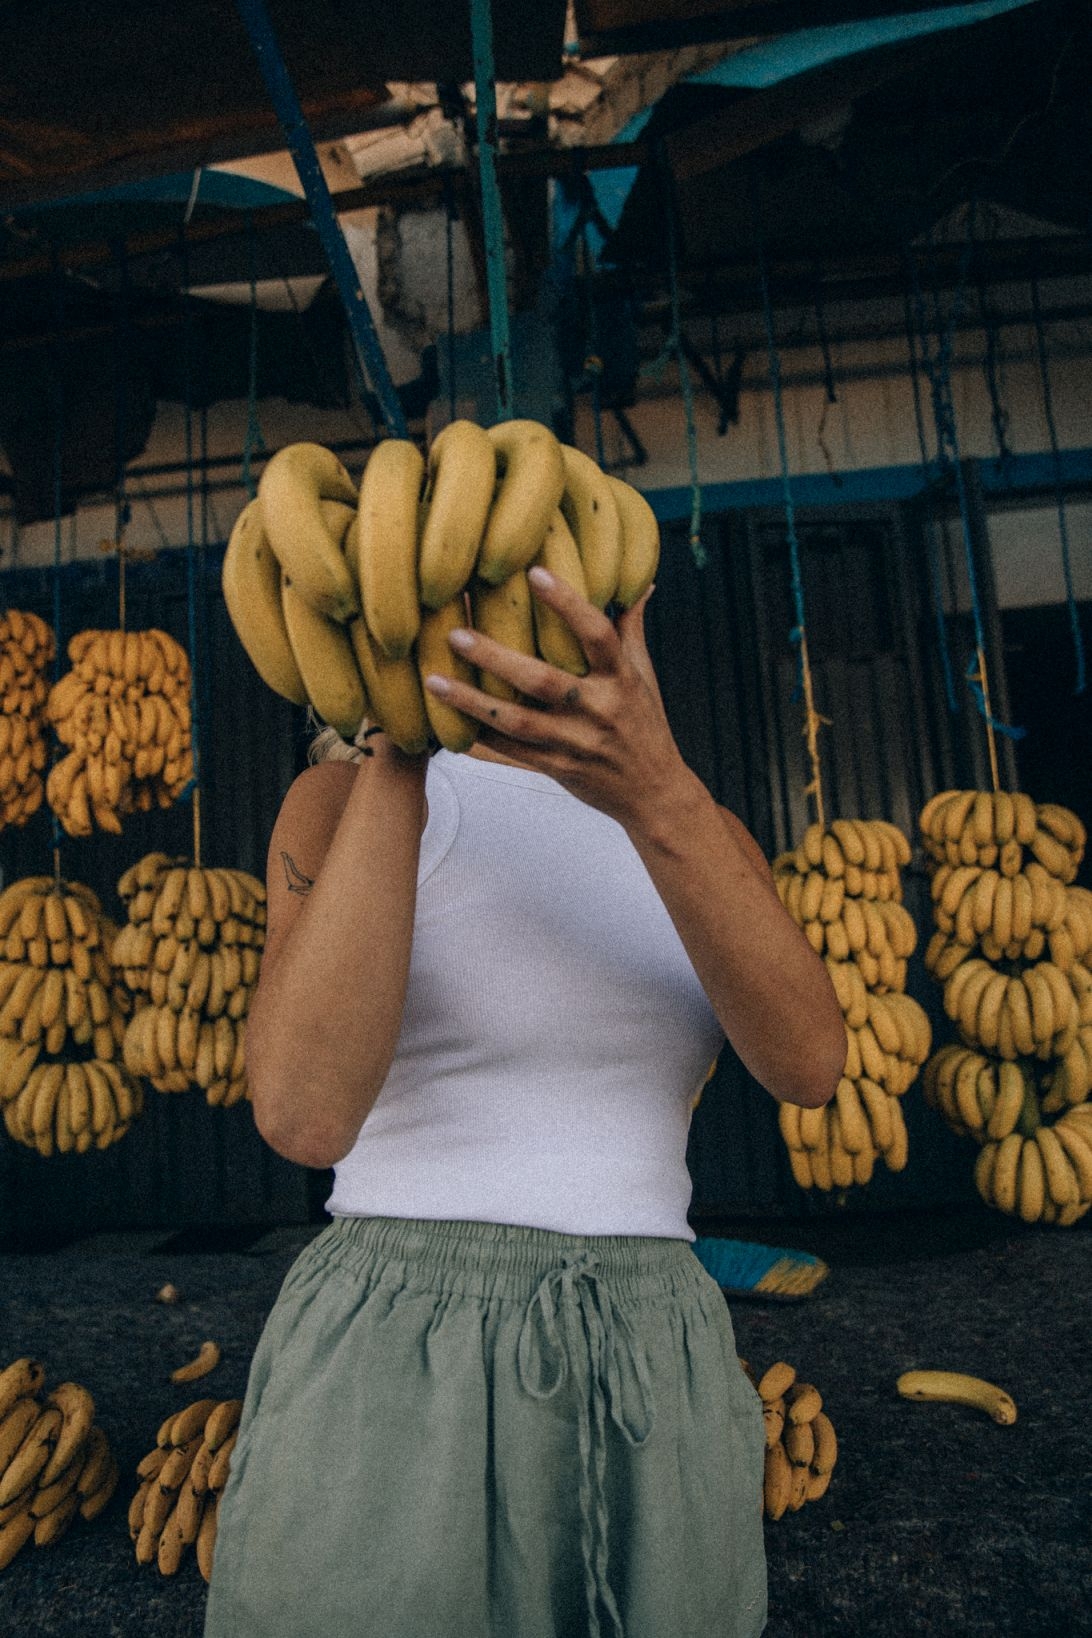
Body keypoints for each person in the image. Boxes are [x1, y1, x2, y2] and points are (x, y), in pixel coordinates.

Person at [203, 565, 846, 1638]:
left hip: (656, 1341)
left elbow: (809, 1067)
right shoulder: (340, 802)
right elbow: (305, 1117)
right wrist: (401, 749)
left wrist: (661, 791)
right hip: (399, 1340)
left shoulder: (700, 830)